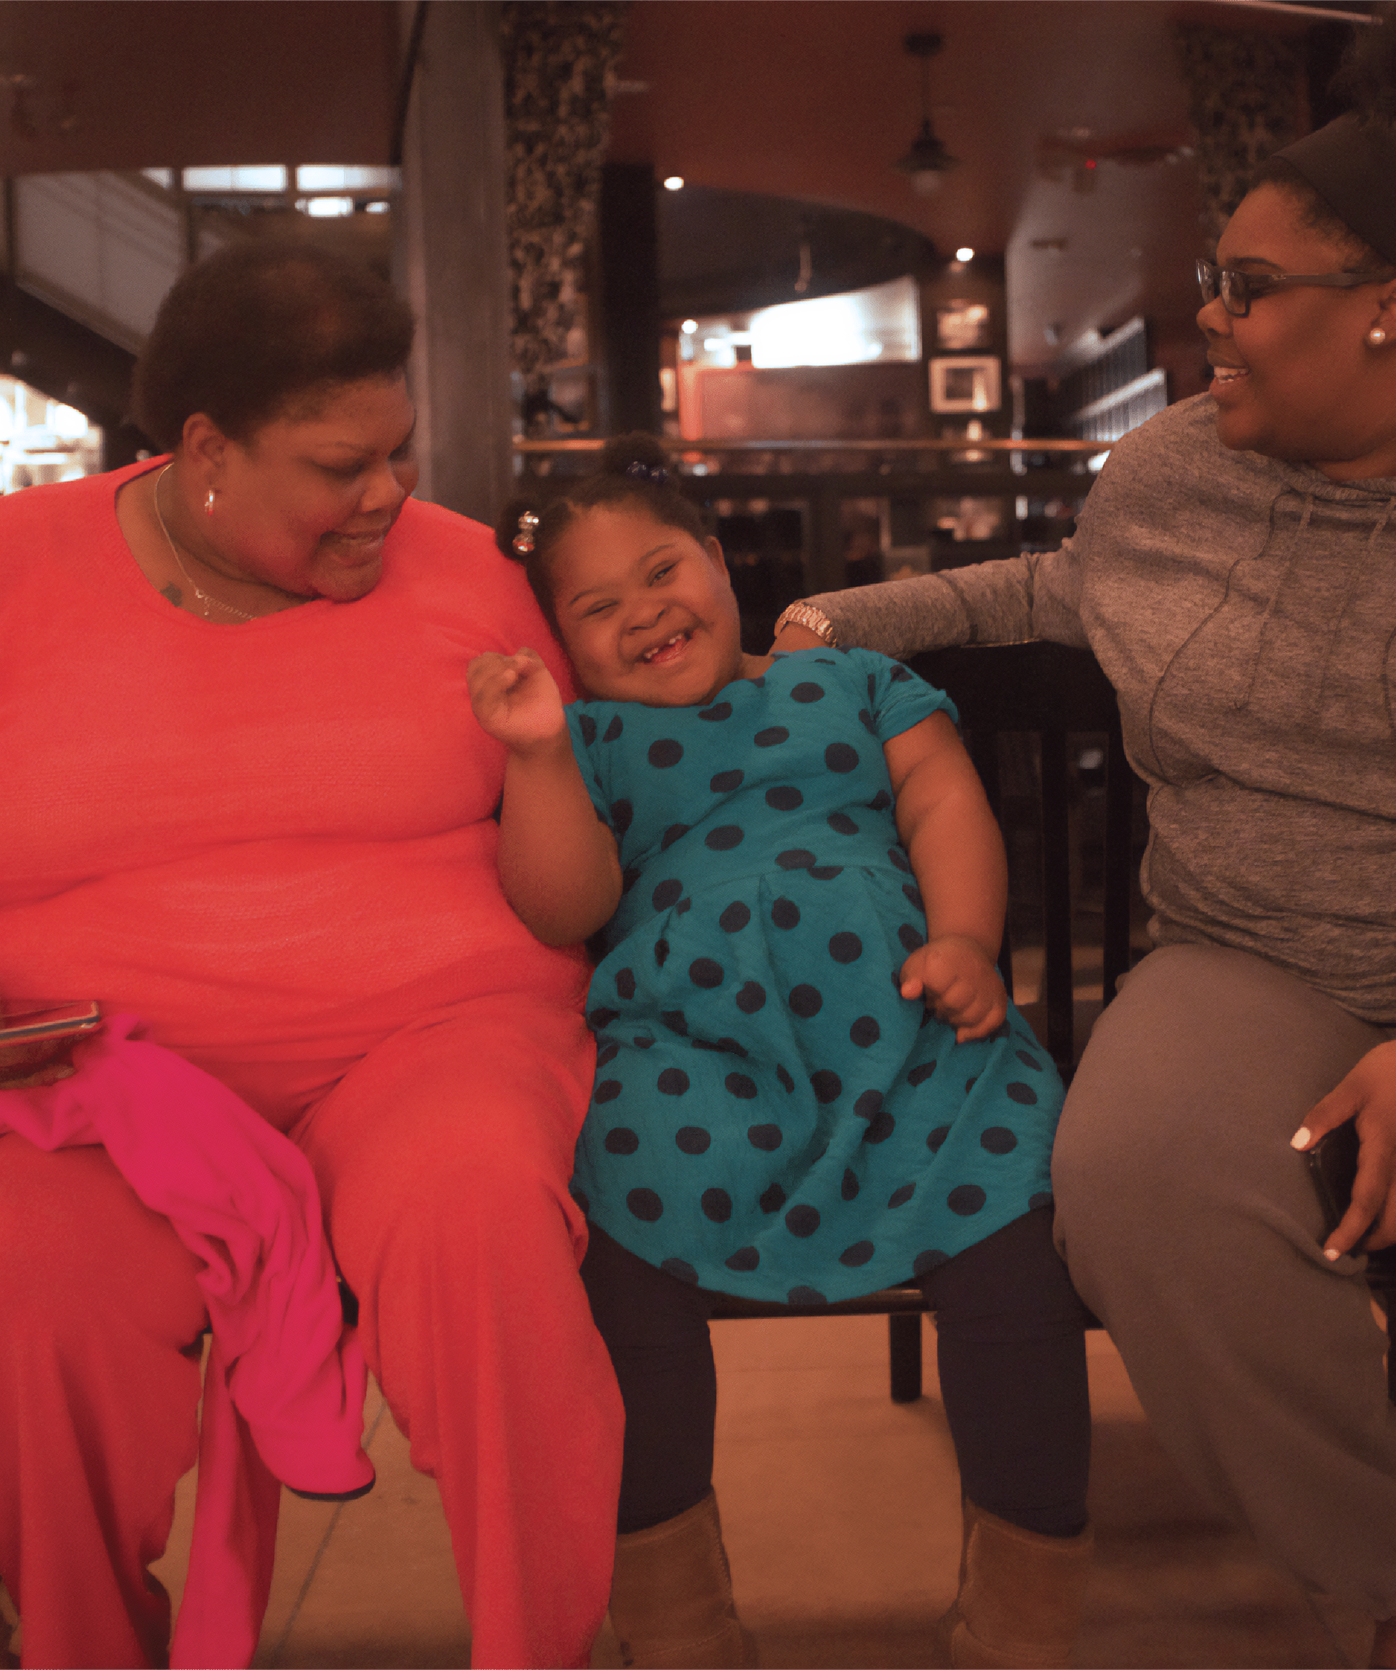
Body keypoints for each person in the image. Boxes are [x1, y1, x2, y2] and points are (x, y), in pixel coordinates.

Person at [772, 15, 1396, 1670]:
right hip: (1255, 952)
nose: (1210, 317)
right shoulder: (1182, 468)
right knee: (1136, 1182)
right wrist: (841, 621)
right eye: (1214, 282)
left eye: (1247, 289)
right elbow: (1073, 586)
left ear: (1393, 307)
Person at [0, 242, 623, 1670]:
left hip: (427, 1040)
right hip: (97, 1079)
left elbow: (602, 806)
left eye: (398, 450)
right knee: (38, 1286)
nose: (389, 493)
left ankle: (546, 1648)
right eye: (341, 466)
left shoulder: (468, 571)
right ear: (206, 449)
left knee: (481, 1223)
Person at [465, 437, 1095, 1669]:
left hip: (906, 1022)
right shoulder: (587, 738)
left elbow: (941, 802)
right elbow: (564, 905)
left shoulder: (849, 679)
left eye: (663, 571)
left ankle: (1022, 1620)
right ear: (562, 644)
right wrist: (535, 753)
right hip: (688, 1053)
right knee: (617, 1234)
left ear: (718, 561)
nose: (645, 612)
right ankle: (677, 1625)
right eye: (597, 606)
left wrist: (967, 937)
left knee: (1010, 1233)